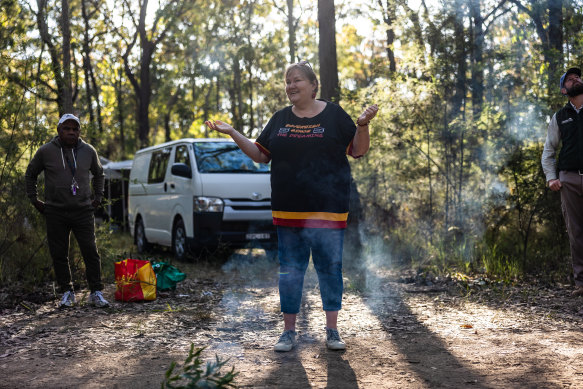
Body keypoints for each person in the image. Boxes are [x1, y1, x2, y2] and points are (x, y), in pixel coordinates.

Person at [205, 60, 378, 351]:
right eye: (287, 81)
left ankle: (332, 331)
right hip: (288, 211)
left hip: (328, 210)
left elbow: (358, 150)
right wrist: (233, 132)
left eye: (297, 80)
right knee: (290, 270)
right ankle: (288, 332)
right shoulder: (280, 118)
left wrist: (362, 125)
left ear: (313, 86)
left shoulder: (334, 115)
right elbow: (261, 155)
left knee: (330, 269)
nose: (291, 86)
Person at [25, 113, 110, 308]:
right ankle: (67, 293)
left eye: (75, 129)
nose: (71, 132)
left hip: (83, 211)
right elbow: (30, 174)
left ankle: (96, 292)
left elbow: (99, 174)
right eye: (67, 128)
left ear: (79, 131)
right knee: (59, 253)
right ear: (59, 130)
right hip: (55, 211)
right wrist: (34, 199)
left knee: (90, 251)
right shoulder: (46, 151)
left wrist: (98, 197)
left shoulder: (88, 151)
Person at [542, 67, 583, 297]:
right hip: (568, 179)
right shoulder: (559, 117)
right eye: (569, 79)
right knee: (576, 232)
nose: (576, 78)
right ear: (563, 89)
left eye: (577, 76)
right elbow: (548, 151)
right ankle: (581, 283)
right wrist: (551, 178)